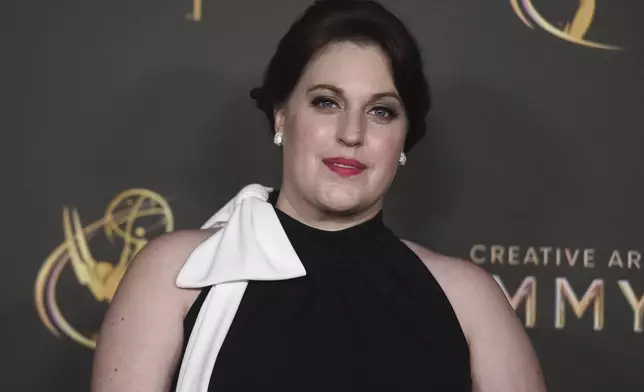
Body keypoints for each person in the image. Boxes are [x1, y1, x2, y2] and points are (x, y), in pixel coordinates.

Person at [91, 1, 547, 391]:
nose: (352, 133)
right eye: (326, 102)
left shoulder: (469, 300)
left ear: (405, 140)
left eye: (382, 111)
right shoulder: (179, 273)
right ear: (281, 117)